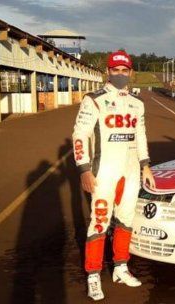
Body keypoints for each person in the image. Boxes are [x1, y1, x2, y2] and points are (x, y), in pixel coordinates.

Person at [72, 50, 155, 301]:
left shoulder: (137, 103)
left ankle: (120, 267)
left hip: (130, 171)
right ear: (108, 71)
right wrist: (84, 169)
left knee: (126, 220)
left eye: (124, 70)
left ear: (130, 72)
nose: (120, 74)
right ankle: (93, 275)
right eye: (115, 70)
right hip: (103, 173)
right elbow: (79, 136)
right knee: (99, 221)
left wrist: (146, 166)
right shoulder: (93, 100)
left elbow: (140, 136)